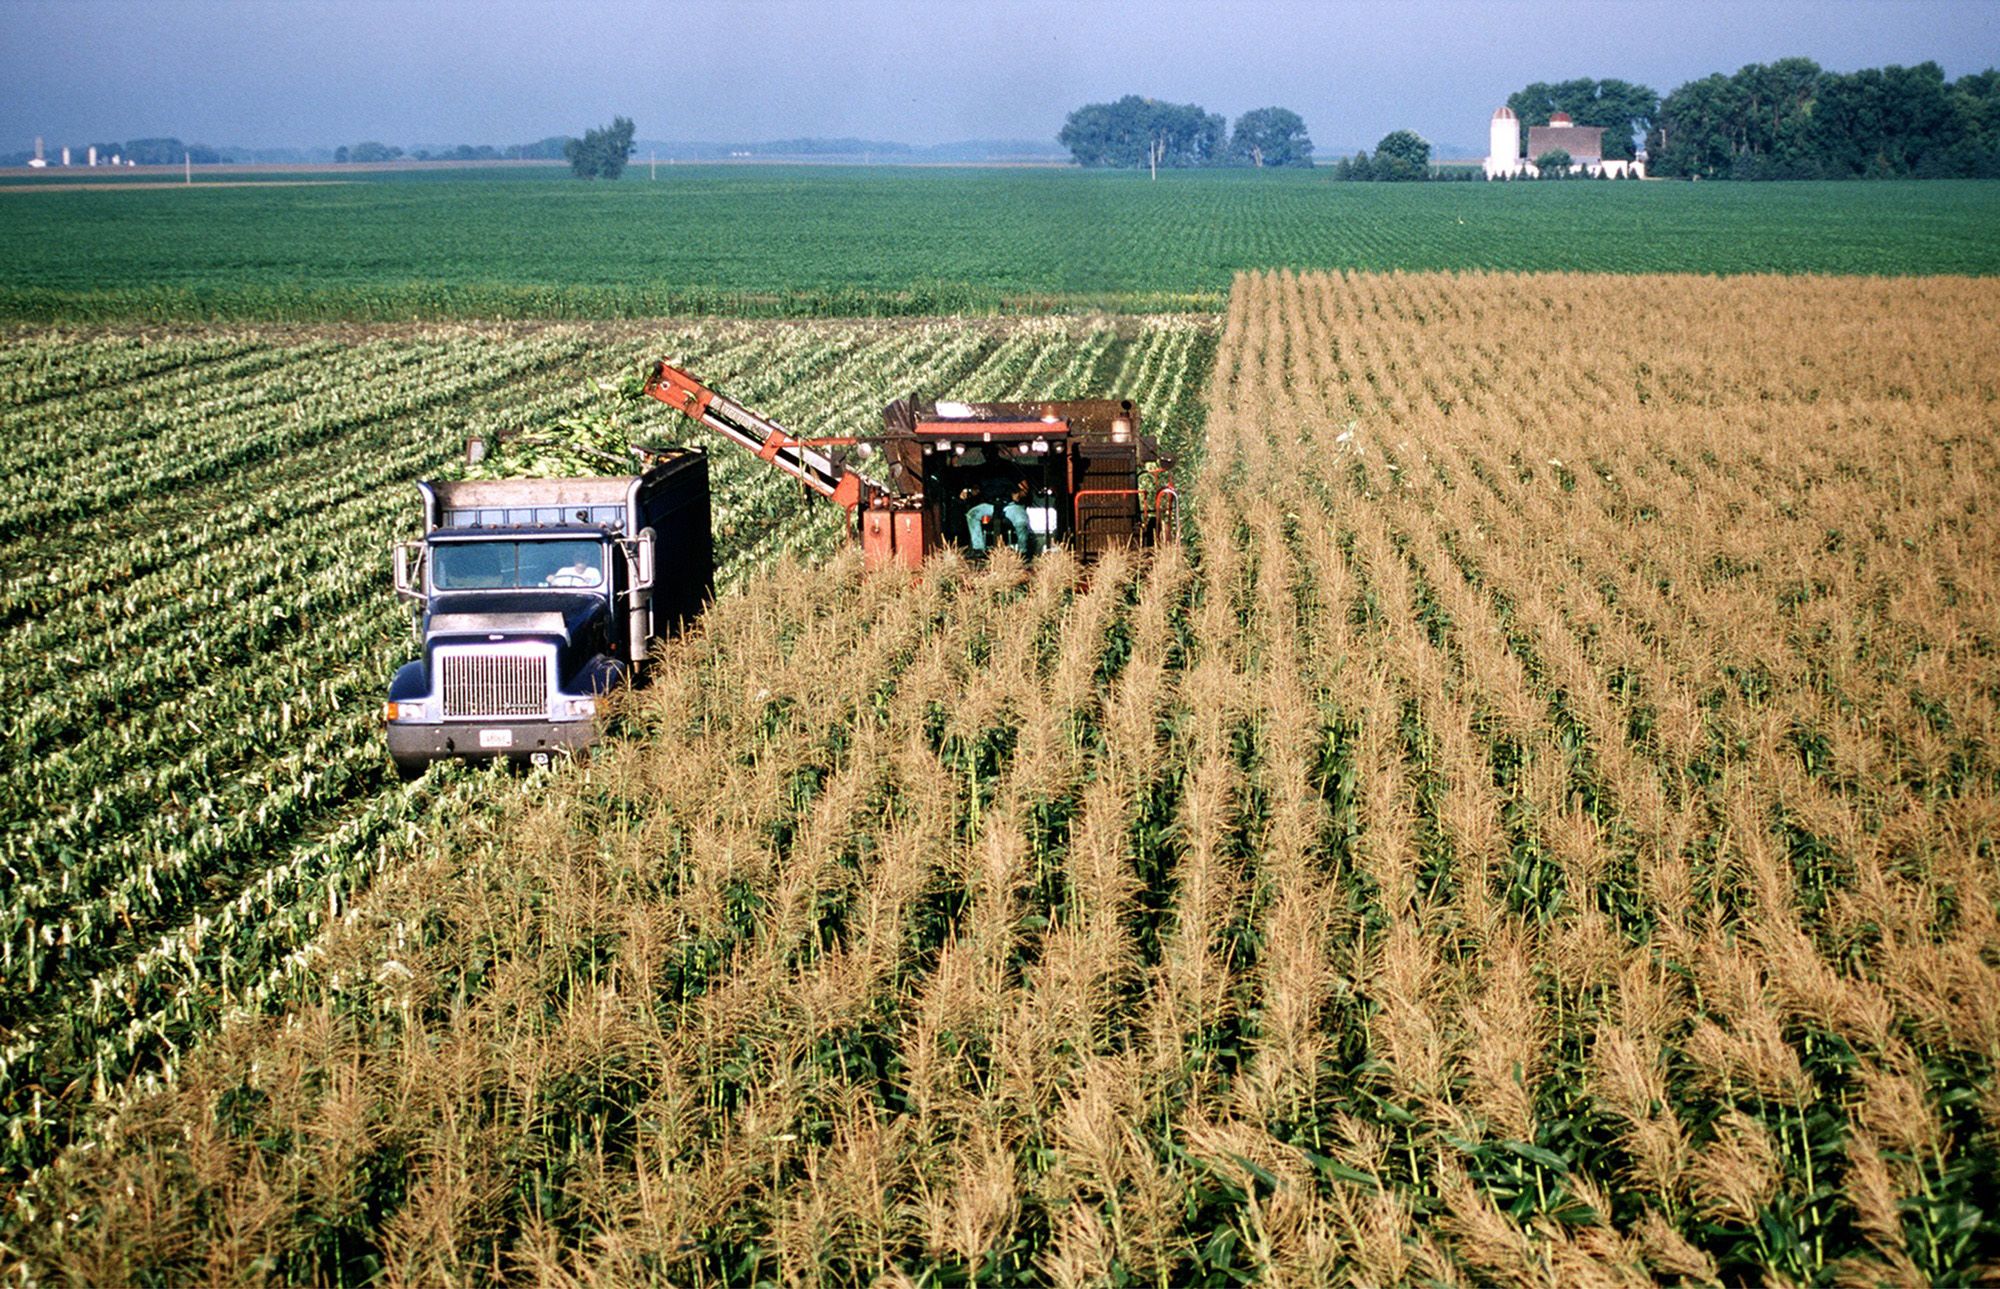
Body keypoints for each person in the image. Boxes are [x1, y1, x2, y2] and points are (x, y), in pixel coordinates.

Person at [963, 476, 1033, 554]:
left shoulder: (1013, 472)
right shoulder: (983, 471)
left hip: (1010, 504)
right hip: (989, 504)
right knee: (972, 515)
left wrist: (1019, 494)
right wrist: (968, 491)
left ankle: (1022, 551)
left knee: (1021, 520)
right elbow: (975, 489)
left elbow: (1025, 489)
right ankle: (979, 549)